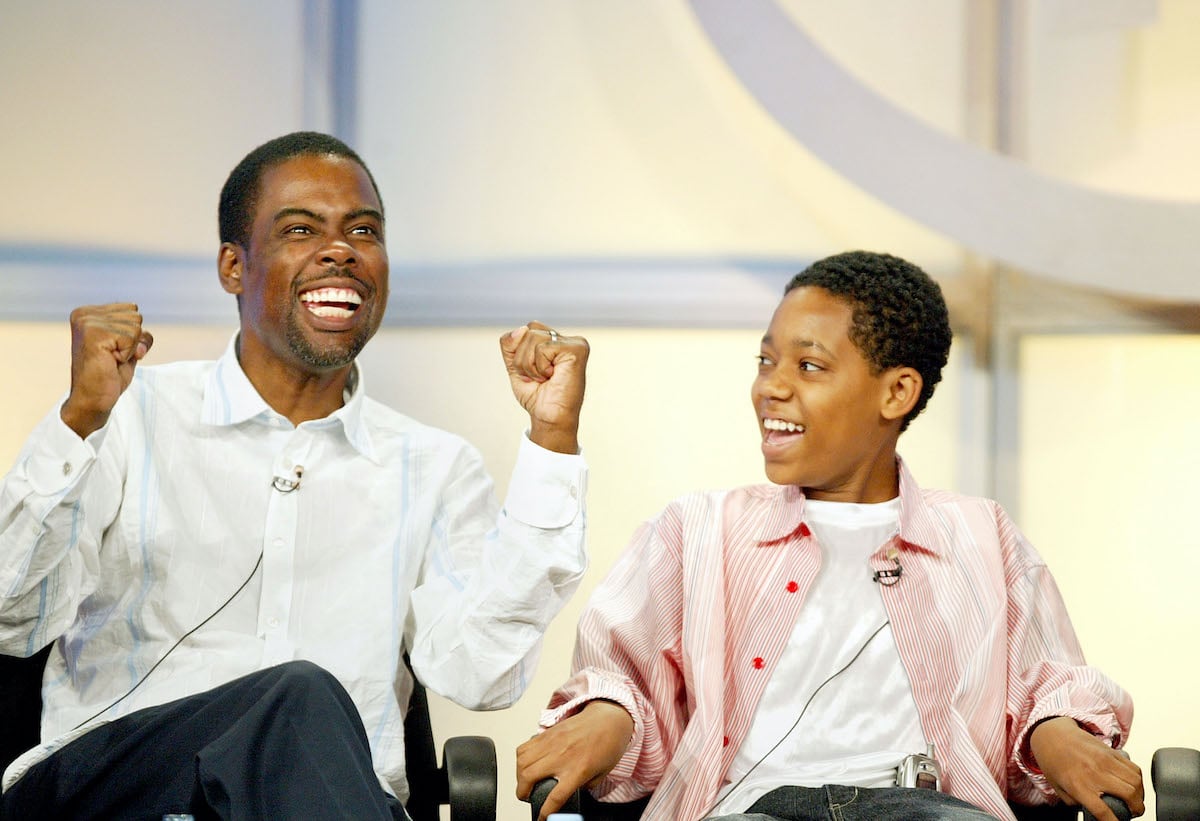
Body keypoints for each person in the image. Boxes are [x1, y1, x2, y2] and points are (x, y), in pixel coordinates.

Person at [0, 131, 591, 819]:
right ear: (233, 266)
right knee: (297, 698)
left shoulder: (434, 467)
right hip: (119, 794)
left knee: (300, 713)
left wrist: (552, 440)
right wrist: (79, 419)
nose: (341, 250)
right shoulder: (129, 415)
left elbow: (480, 674)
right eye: (301, 229)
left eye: (363, 231)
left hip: (323, 799)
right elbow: (13, 615)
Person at [515, 251, 1144, 821]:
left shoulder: (983, 536)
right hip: (749, 808)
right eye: (766, 361)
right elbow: (625, 678)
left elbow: (1044, 688)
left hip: (929, 810)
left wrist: (1058, 734)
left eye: (809, 365)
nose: (772, 386)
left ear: (897, 392)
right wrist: (606, 719)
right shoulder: (697, 530)